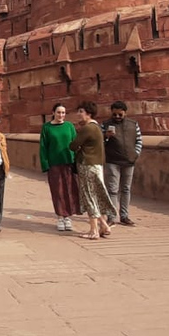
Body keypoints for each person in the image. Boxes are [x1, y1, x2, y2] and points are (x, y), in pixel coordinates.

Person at [69, 101, 116, 240]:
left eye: (81, 111)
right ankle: (104, 225)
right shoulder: (97, 127)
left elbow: (73, 145)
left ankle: (93, 231)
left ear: (88, 113)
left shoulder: (88, 128)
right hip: (96, 165)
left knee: (89, 196)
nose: (78, 114)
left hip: (87, 164)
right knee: (95, 196)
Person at [39, 103, 81, 231]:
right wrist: (45, 164)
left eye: (63, 113)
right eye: (58, 112)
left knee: (70, 190)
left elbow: (76, 143)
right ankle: (60, 216)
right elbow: (43, 147)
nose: (61, 115)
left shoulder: (69, 126)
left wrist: (77, 161)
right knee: (58, 191)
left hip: (69, 162)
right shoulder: (47, 128)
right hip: (54, 164)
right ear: (53, 113)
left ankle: (67, 216)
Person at [101, 101, 143, 226]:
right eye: (115, 114)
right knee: (113, 190)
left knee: (126, 189)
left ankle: (124, 216)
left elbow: (139, 141)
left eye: (120, 114)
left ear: (125, 113)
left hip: (129, 161)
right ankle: (112, 217)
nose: (117, 117)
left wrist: (135, 154)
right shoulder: (105, 125)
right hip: (112, 161)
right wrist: (106, 136)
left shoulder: (133, 124)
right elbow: (99, 142)